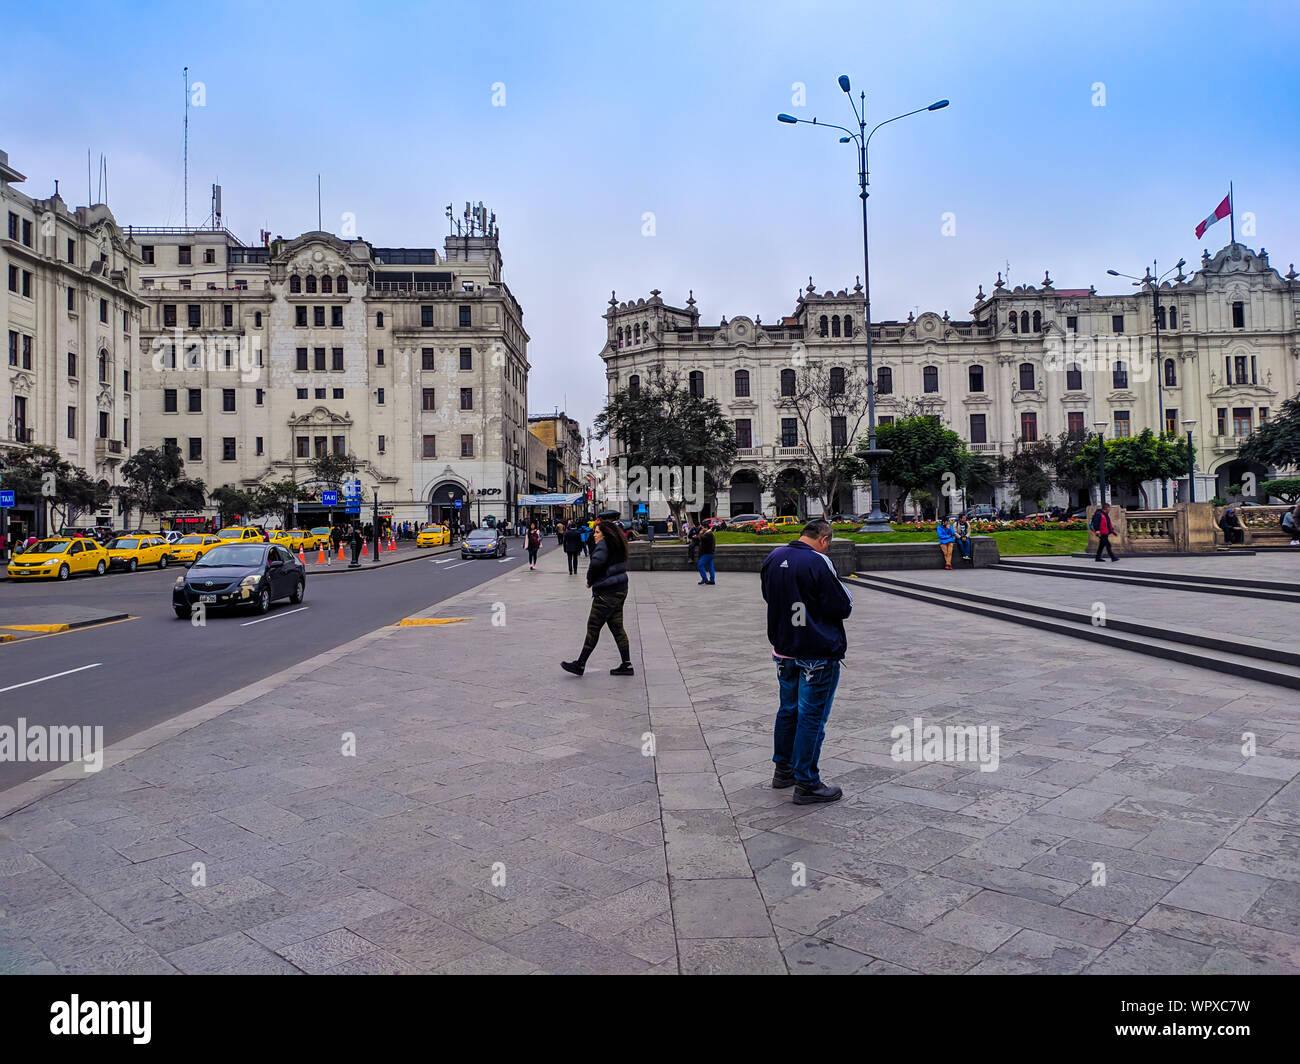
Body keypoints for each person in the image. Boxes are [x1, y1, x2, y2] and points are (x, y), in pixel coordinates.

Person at [760, 519, 853, 806]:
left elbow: (768, 596)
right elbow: (842, 605)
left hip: (784, 647)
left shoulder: (774, 557)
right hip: (816, 649)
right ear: (824, 539)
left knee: (788, 710)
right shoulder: (818, 561)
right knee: (812, 716)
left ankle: (783, 770)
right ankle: (807, 782)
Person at [562, 521, 633, 677]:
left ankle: (580, 664)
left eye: (597, 532)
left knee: (593, 626)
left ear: (605, 534)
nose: (594, 535)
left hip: (607, 592)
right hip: (620, 589)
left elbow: (596, 563)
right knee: (617, 627)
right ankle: (626, 665)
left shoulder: (603, 544)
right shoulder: (616, 544)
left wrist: (589, 581)